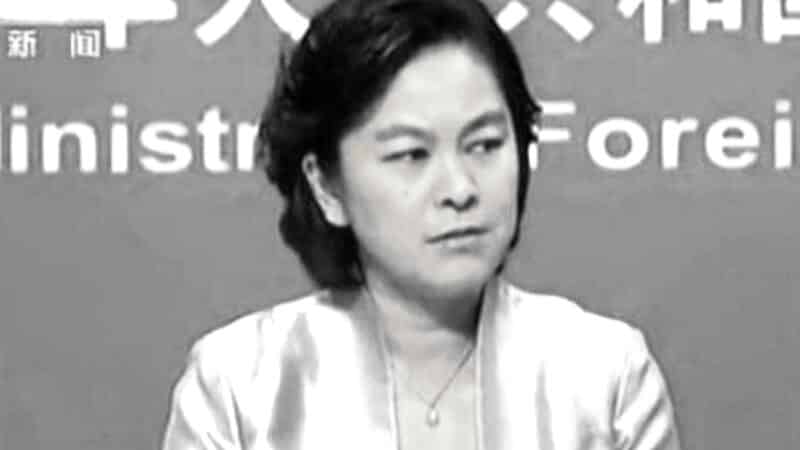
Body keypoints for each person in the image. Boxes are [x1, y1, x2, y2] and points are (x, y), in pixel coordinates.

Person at [161, 0, 682, 448]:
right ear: (327, 186)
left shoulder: (604, 377)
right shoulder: (241, 386)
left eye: (485, 145)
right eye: (411, 154)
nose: (460, 188)